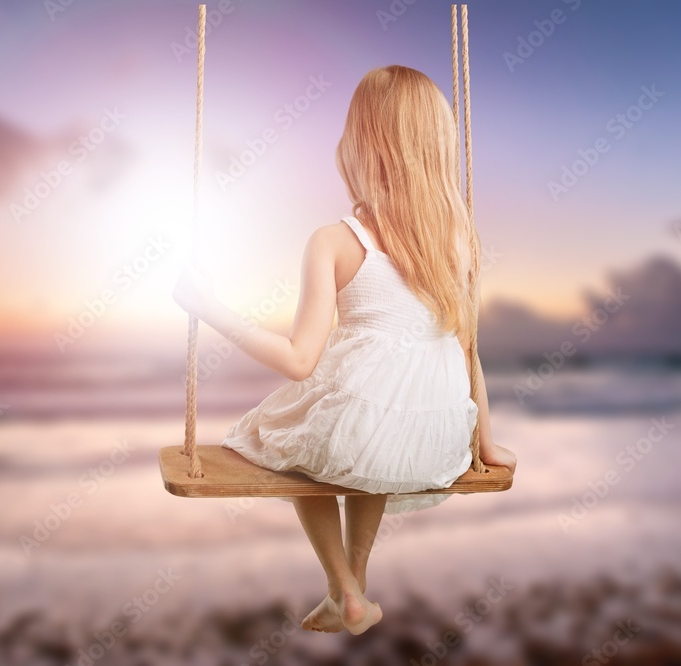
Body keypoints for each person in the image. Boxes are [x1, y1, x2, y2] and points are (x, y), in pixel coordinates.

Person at [172, 65, 517, 635]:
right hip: (436, 440)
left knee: (289, 439)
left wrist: (209, 308)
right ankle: (353, 586)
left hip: (365, 428)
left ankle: (342, 587)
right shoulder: (458, 240)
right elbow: (468, 349)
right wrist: (483, 442)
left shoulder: (334, 241)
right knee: (366, 443)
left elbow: (298, 359)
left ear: (360, 141)